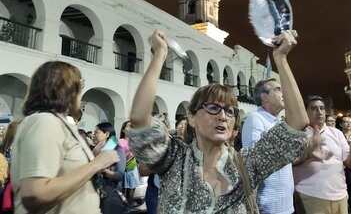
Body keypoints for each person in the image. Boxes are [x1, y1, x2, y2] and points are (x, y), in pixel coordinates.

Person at [129, 29, 310, 213]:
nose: (223, 116)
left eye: (229, 111)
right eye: (213, 108)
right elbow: (139, 120)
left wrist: (281, 59)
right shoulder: (175, 159)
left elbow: (296, 126)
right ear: (191, 117)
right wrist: (160, 55)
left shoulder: (246, 164)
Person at [11, 61, 119, 214]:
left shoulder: (55, 122)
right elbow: (35, 194)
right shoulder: (45, 122)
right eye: (80, 85)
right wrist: (95, 165)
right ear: (67, 89)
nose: (82, 91)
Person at [292, 95, 351, 214]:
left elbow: (350, 164)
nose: (319, 112)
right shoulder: (297, 134)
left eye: (322, 108)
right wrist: (310, 150)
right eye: (314, 108)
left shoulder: (337, 133)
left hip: (340, 195)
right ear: (304, 112)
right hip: (310, 196)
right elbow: (289, 162)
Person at [242, 78, 295, 214]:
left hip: (286, 204)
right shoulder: (255, 119)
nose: (283, 94)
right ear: (264, 97)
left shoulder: (277, 122)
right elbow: (256, 162)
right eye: (278, 90)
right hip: (269, 206)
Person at [119, 120, 141, 205]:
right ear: (123, 130)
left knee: (131, 189)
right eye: (129, 126)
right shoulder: (118, 141)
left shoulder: (136, 142)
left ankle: (129, 206)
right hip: (122, 168)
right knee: (122, 191)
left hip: (132, 168)